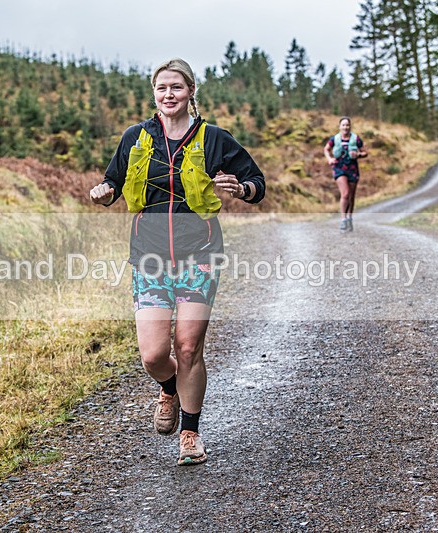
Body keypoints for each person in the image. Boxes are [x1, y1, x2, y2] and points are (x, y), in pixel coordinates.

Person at [89, 58, 265, 466]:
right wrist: (104, 191)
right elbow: (114, 180)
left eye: (177, 87)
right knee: (153, 355)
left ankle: (190, 433)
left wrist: (241, 188)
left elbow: (257, 184)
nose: (169, 95)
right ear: (154, 93)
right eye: (162, 88)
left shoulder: (213, 138)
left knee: (188, 346)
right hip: (149, 257)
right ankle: (168, 387)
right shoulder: (136, 137)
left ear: (190, 92)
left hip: (199, 255)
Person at [324, 116, 368, 232]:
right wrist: (329, 159)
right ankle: (343, 220)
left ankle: (349, 218)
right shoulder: (334, 139)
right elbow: (326, 149)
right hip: (339, 168)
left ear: (350, 126)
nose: (345, 127)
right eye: (343, 125)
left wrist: (358, 155)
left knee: (351, 196)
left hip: (352, 169)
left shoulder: (356, 139)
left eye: (347, 125)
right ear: (339, 127)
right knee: (345, 193)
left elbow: (365, 152)